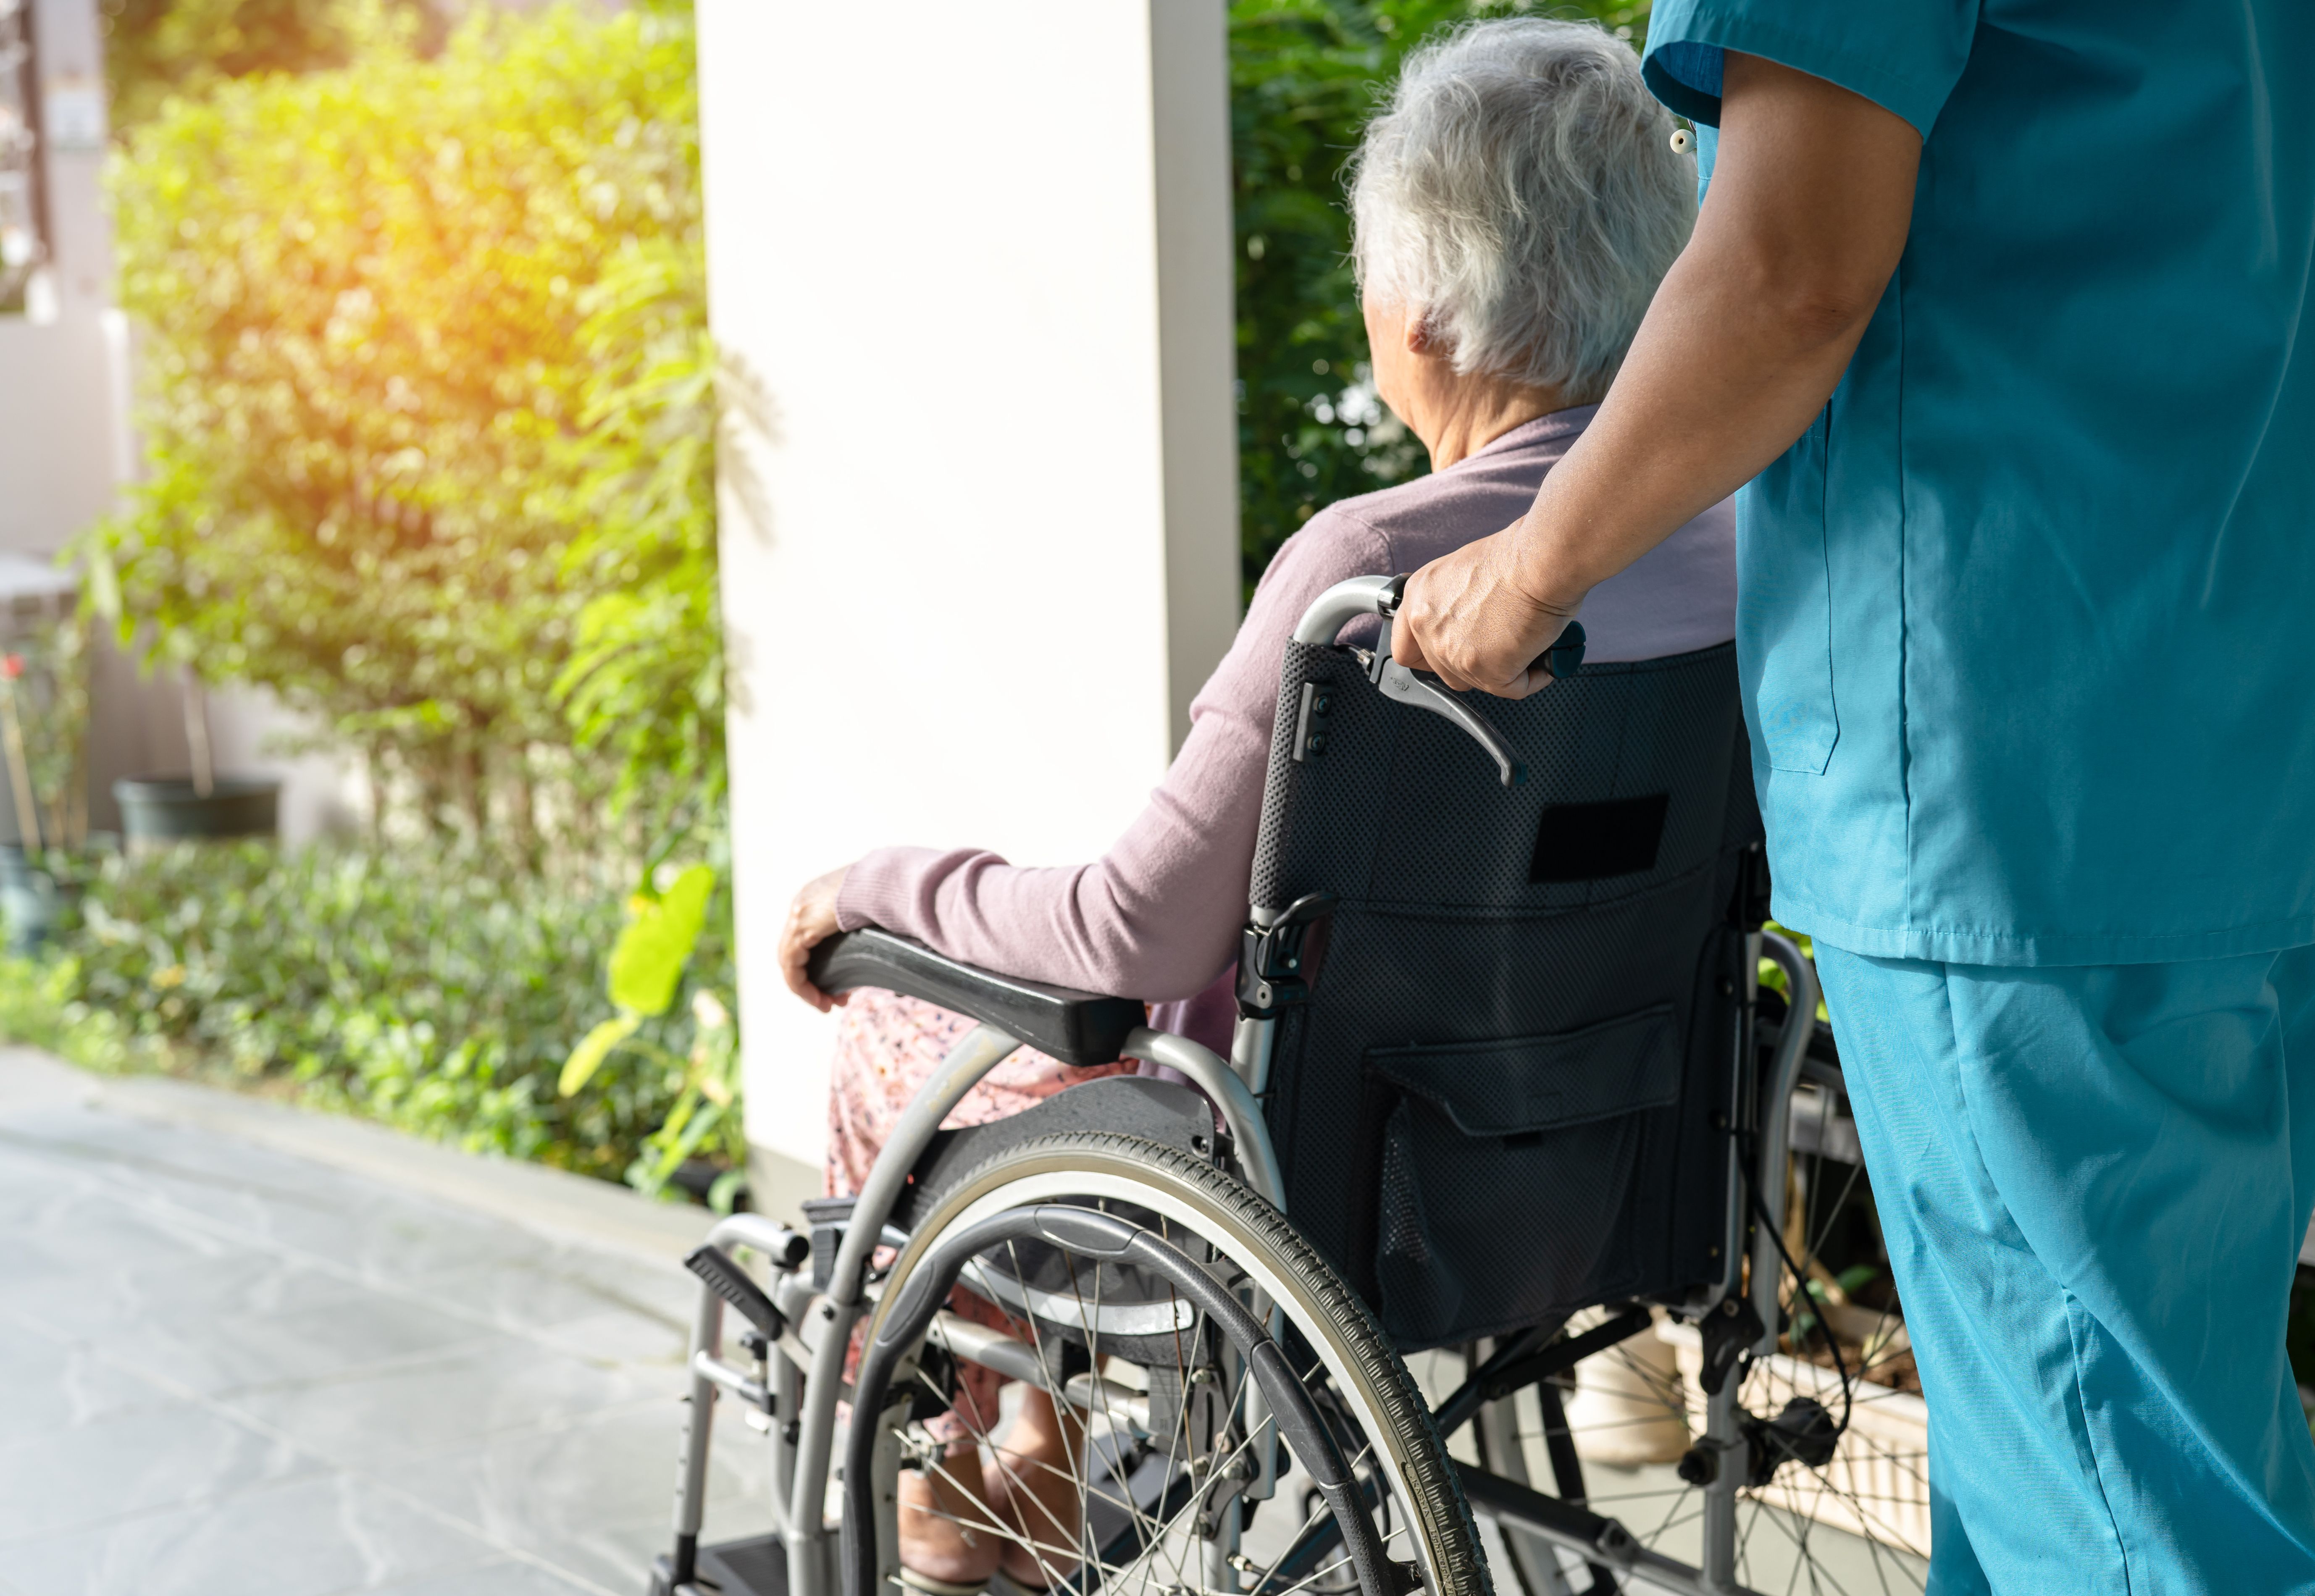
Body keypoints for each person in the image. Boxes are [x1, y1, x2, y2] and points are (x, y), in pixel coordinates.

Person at [775, 20, 1737, 1590]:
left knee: (897, 1023)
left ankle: (1010, 1442)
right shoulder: (1733, 545)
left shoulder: (1369, 571)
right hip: (1605, 1142)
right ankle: (1017, 1445)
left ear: (1424, 306)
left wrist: (879, 883)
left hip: (1322, 1183)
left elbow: (1121, 929)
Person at [1388, 4, 2315, 1590]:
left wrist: (1531, 574)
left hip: (2010, 762)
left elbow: (1786, 274)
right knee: (2116, 1446)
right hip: (2222, 704)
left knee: (2121, 1511)